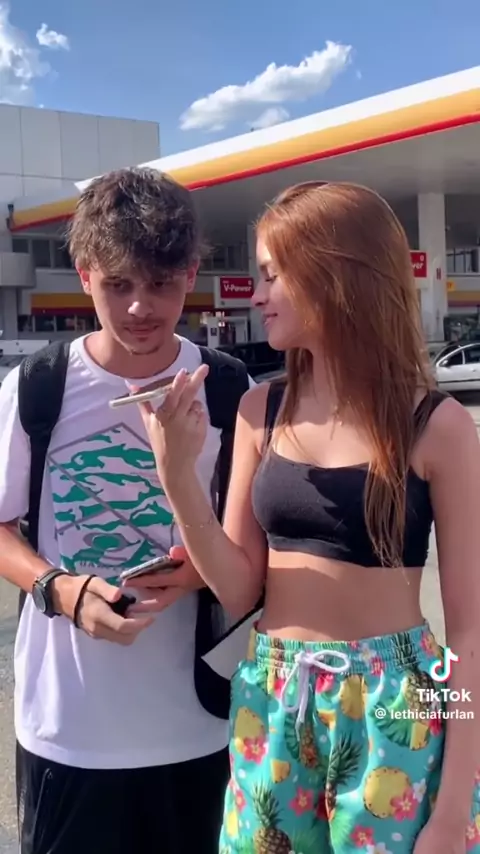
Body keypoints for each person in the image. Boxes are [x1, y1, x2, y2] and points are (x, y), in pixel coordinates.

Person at [134, 181, 480, 853]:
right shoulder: (260, 410)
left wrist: (451, 809)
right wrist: (176, 478)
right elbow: (239, 588)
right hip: (272, 691)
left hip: (395, 702)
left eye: (272, 274)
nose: (257, 294)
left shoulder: (435, 425)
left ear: (334, 274)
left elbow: (470, 630)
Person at [0, 167, 251, 854]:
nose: (141, 306)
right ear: (85, 276)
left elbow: (253, 547)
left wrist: (202, 570)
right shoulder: (39, 387)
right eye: (118, 284)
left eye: (162, 283)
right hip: (68, 728)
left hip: (200, 724)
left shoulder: (228, 389)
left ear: (191, 275)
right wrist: (58, 588)